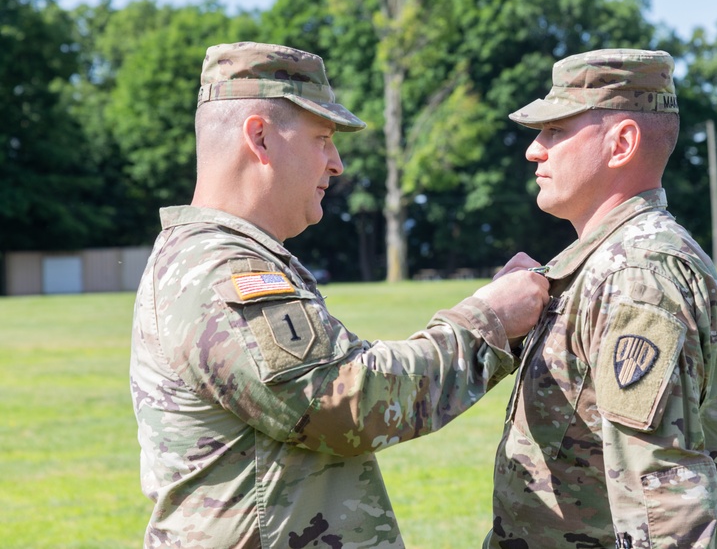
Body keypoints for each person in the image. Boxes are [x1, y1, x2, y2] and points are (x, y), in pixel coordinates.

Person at [129, 41, 549, 548]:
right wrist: (490, 321)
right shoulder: (222, 271)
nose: (337, 164)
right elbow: (345, 399)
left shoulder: (221, 259)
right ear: (259, 137)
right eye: (323, 138)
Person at [485, 49, 717, 549]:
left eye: (556, 131)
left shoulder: (636, 275)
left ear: (622, 143)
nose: (533, 150)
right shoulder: (611, 263)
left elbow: (663, 508)